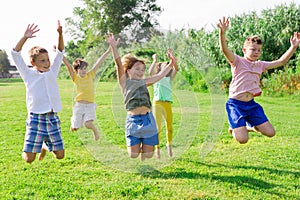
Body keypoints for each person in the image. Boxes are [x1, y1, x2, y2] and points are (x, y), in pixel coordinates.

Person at [218, 16, 300, 144]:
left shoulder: (260, 65)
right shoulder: (237, 61)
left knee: (271, 133)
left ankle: (248, 126)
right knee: (243, 139)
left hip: (251, 105)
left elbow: (281, 61)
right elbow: (224, 49)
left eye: (259, 50)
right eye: (253, 49)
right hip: (235, 104)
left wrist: (293, 47)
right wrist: (222, 33)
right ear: (244, 50)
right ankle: (234, 128)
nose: (256, 52)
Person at [106, 33, 177, 161]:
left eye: (142, 70)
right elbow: (118, 64)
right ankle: (138, 141)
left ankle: (145, 142)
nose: (140, 72)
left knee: (149, 154)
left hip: (148, 119)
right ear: (128, 70)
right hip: (133, 120)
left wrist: (171, 63)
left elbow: (160, 75)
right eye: (137, 69)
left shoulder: (145, 82)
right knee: (133, 155)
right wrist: (113, 47)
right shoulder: (124, 82)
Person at [11, 21, 65, 163]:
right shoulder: (28, 74)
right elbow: (15, 54)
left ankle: (45, 147)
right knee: (29, 159)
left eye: (47, 60)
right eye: (42, 61)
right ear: (33, 63)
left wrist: (60, 34)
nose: (47, 63)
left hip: (52, 117)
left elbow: (60, 53)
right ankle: (38, 145)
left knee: (60, 155)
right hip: (36, 118)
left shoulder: (52, 71)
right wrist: (25, 37)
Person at [61, 46, 111, 141]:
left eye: (85, 68)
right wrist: (61, 55)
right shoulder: (75, 78)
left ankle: (95, 132)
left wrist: (108, 51)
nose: (84, 71)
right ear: (76, 70)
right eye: (82, 69)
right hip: (79, 105)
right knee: (76, 126)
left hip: (90, 105)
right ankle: (73, 124)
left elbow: (99, 63)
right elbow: (68, 66)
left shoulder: (90, 75)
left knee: (88, 124)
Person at [148, 53, 179, 159]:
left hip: (167, 103)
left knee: (169, 126)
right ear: (159, 67)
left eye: (167, 64)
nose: (166, 65)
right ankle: (157, 148)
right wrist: (154, 60)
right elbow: (150, 71)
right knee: (158, 128)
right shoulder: (156, 77)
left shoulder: (169, 78)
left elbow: (176, 68)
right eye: (164, 64)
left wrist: (172, 59)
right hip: (157, 103)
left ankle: (169, 145)